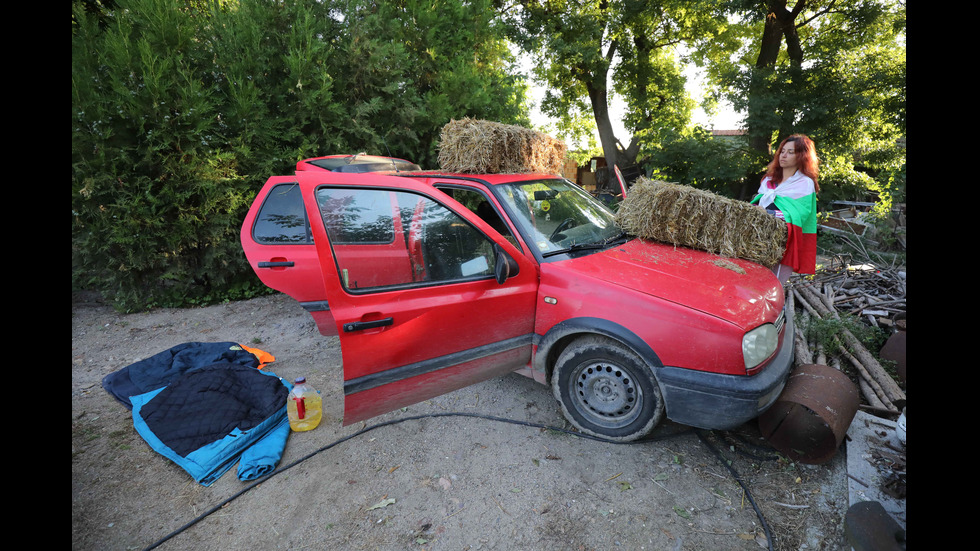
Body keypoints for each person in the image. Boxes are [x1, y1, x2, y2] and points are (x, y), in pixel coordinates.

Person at [751, 134, 819, 283]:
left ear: (801, 156)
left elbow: (800, 214)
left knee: (774, 286)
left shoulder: (805, 183)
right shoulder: (768, 180)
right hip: (759, 238)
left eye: (790, 152)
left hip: (784, 242)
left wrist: (770, 214)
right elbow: (757, 204)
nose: (784, 155)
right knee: (752, 281)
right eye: (782, 151)